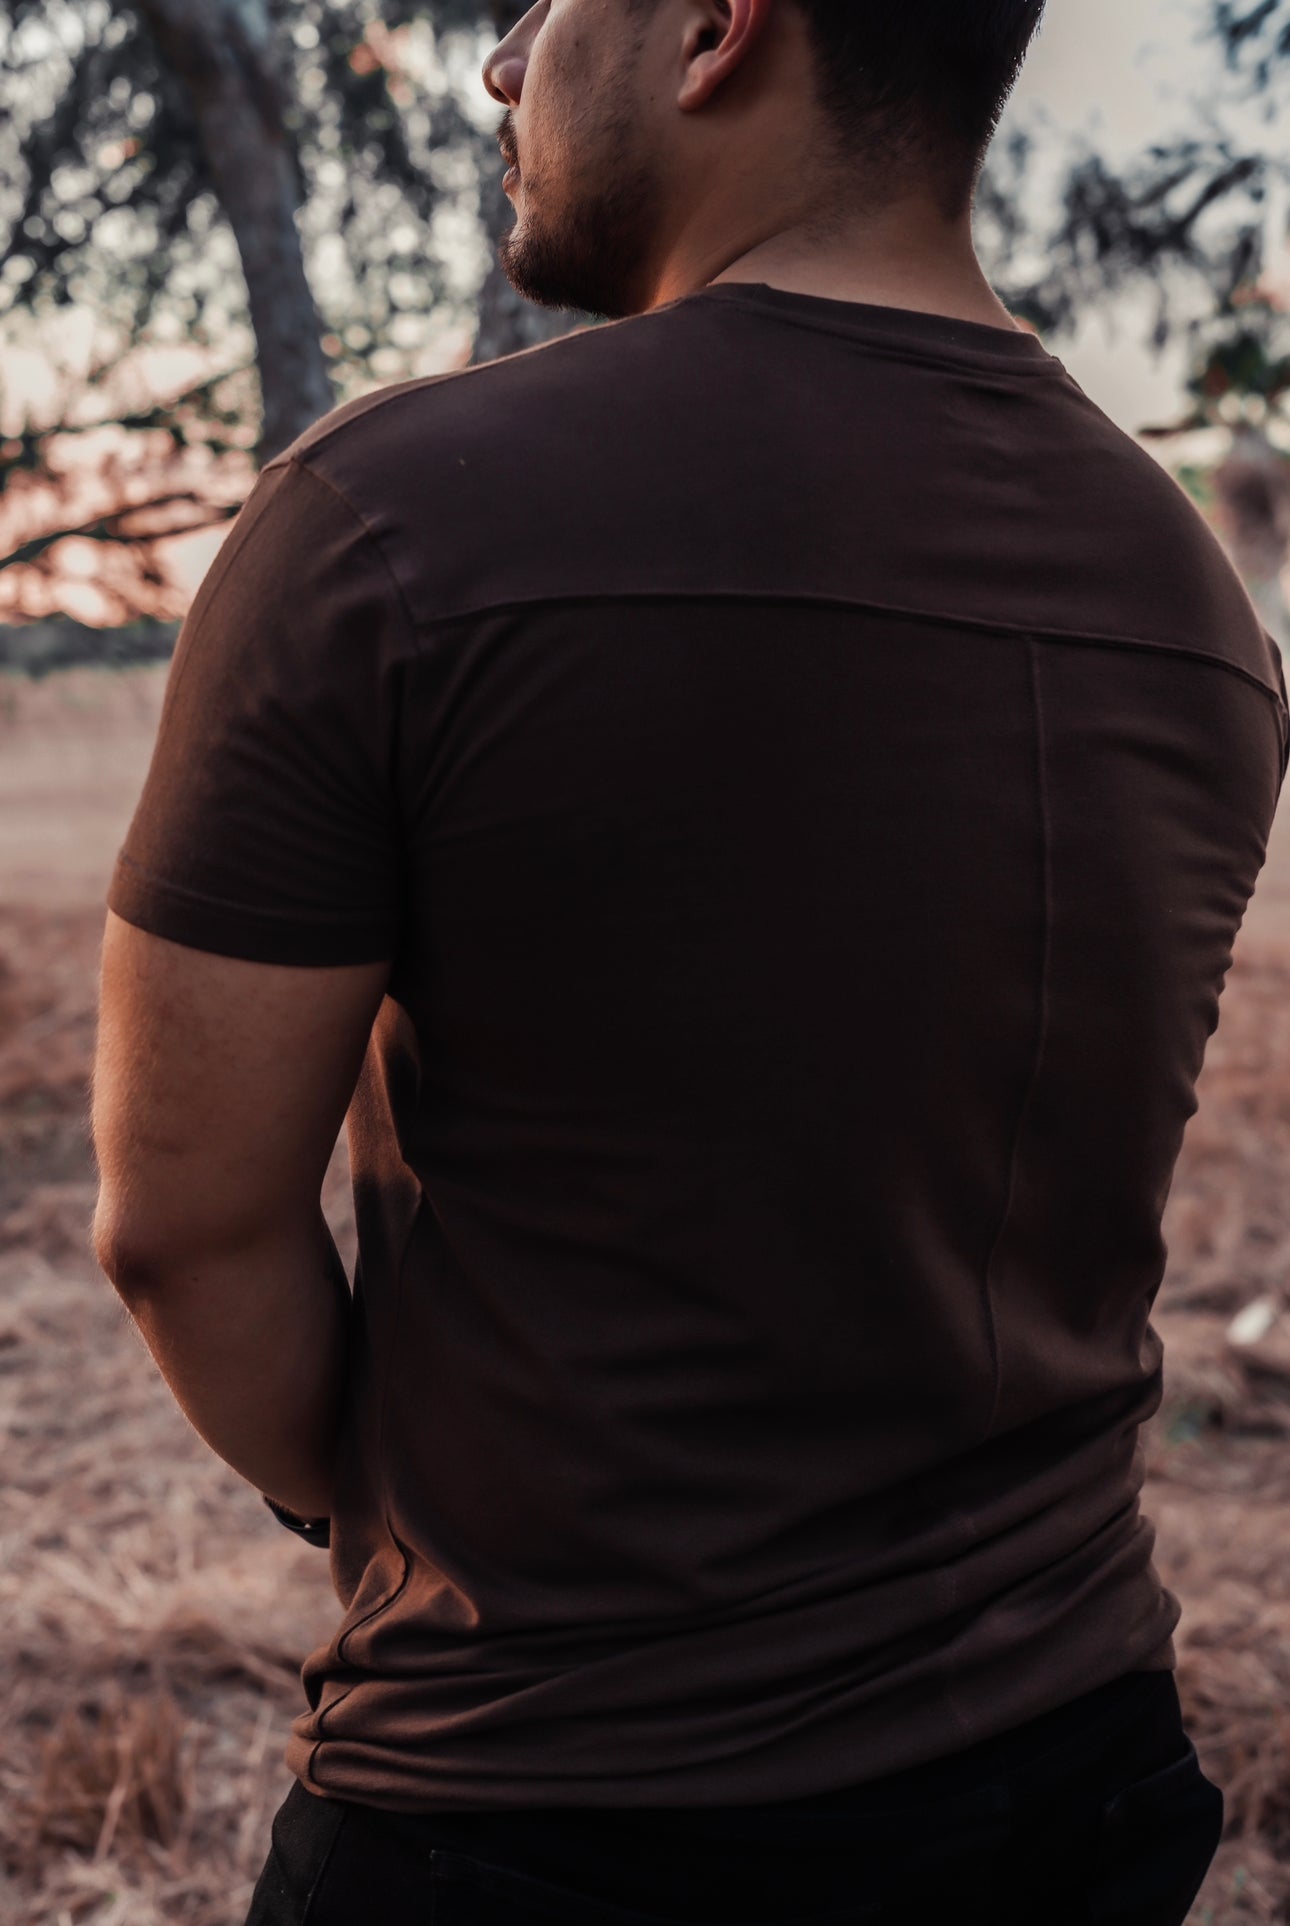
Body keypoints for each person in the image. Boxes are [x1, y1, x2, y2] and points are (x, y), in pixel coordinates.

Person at [89, 0, 1288, 1920]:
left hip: (548, 1809)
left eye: (547, 7)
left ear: (717, 26)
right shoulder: (1191, 605)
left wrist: (391, 1515)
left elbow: (181, 1227)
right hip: (1070, 1775)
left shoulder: (392, 521)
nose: (500, 66)